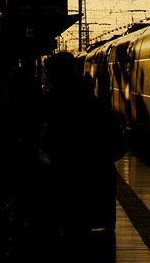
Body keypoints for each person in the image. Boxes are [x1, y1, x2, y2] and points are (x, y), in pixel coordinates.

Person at [41, 52, 122, 252]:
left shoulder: (60, 97)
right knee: (80, 224)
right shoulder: (86, 95)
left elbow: (52, 131)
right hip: (86, 169)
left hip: (72, 170)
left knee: (72, 222)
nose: (49, 78)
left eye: (51, 74)